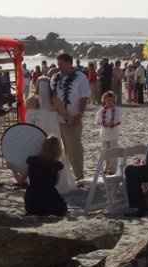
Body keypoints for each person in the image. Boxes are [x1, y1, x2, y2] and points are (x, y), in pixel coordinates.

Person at [51, 53, 91, 182]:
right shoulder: (56, 78)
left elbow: (84, 97)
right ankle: (68, 177)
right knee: (64, 149)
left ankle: (79, 175)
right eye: (58, 64)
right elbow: (53, 97)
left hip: (74, 118)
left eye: (61, 64)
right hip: (59, 118)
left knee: (75, 147)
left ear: (69, 63)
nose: (59, 67)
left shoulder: (80, 77)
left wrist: (79, 115)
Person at [25, 136, 68, 217]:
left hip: (31, 201)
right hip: (48, 199)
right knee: (62, 208)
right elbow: (55, 183)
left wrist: (13, 170)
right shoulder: (55, 165)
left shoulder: (32, 161)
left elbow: (21, 180)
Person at [95, 91, 122, 174]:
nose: (109, 102)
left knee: (113, 149)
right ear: (104, 100)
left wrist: (113, 123)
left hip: (113, 133)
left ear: (114, 100)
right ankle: (106, 166)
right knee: (105, 150)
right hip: (104, 133)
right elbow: (98, 121)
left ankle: (113, 168)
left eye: (111, 100)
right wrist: (104, 123)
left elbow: (119, 120)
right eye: (107, 100)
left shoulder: (117, 110)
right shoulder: (101, 111)